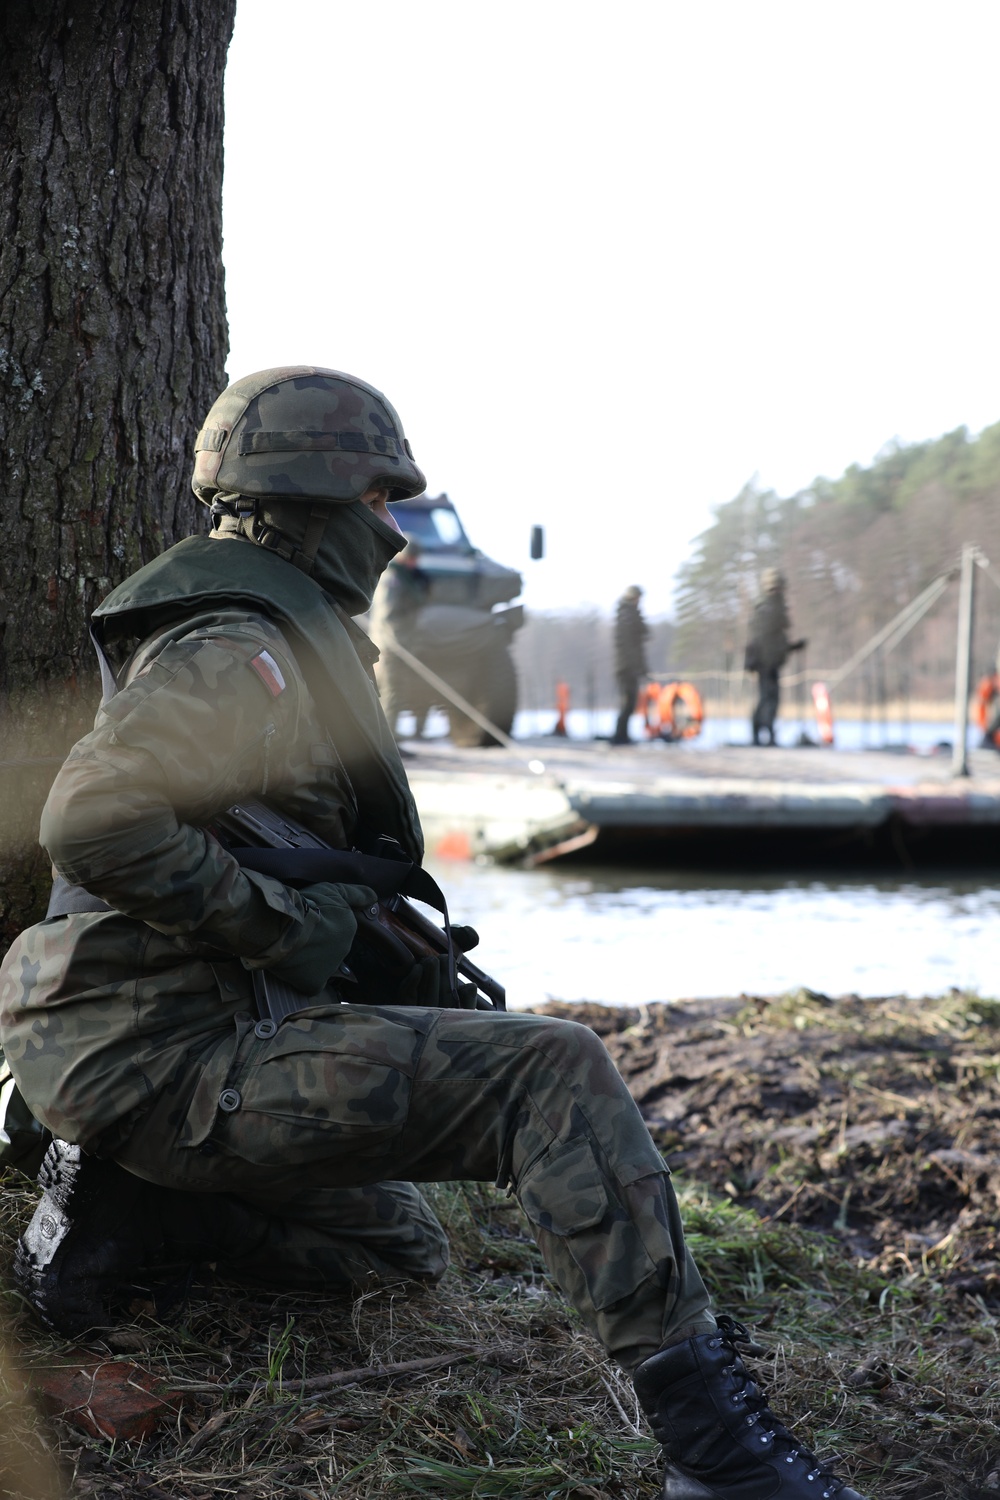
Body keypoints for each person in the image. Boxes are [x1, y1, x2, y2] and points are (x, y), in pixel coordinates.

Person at [0, 367, 867, 1500]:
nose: (396, 535)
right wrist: (288, 928)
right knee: (551, 1073)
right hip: (169, 1052)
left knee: (394, 1252)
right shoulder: (237, 648)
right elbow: (91, 818)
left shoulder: (267, 631)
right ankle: (715, 1455)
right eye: (378, 502)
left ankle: (137, 1209)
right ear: (310, 492)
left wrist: (352, 940)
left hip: (150, 1044)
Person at [368, 538, 432, 736]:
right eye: (411, 557)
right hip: (391, 647)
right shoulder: (394, 578)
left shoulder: (407, 577)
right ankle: (389, 743)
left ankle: (389, 740)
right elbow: (388, 616)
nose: (414, 562)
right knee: (392, 695)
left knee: (394, 694)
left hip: (397, 645)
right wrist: (400, 645)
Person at [744, 568, 806, 746]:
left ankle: (764, 735)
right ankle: (764, 735)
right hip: (766, 663)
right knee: (768, 699)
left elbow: (774, 640)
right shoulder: (770, 608)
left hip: (769, 661)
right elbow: (765, 640)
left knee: (768, 698)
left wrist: (792, 647)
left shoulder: (770, 608)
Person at [612, 584, 649, 745]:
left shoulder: (629, 614)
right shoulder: (627, 615)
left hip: (630, 667)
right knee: (627, 702)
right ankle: (620, 736)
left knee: (630, 702)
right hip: (626, 668)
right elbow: (629, 646)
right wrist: (637, 668)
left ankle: (622, 735)